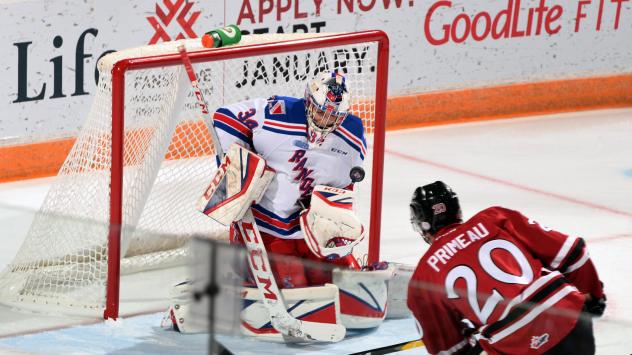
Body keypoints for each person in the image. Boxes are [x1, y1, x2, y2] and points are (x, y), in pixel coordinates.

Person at [407, 181, 606, 355]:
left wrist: (473, 339)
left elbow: (449, 349)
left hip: (516, 344)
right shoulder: (494, 218)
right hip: (569, 318)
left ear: (422, 225)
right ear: (457, 210)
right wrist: (594, 297)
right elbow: (573, 252)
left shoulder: (423, 279)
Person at [210, 71, 367, 288]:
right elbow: (225, 117)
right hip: (268, 229)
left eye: (335, 117)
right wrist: (237, 167)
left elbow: (346, 184)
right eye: (322, 112)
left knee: (348, 282)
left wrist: (334, 216)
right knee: (295, 287)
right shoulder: (278, 112)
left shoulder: (353, 133)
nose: (326, 121)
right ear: (308, 101)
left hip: (315, 232)